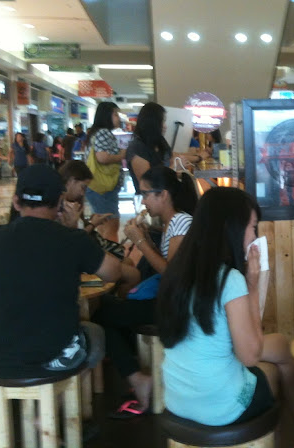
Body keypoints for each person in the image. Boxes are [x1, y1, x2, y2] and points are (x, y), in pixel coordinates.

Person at [157, 187, 294, 427]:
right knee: (270, 369)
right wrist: (253, 286)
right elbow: (250, 356)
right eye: (252, 227)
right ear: (232, 229)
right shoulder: (230, 279)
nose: (254, 237)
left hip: (177, 400)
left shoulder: (176, 272)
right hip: (223, 408)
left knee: (279, 345)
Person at [0, 164, 122, 380]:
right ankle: (69, 395)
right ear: (60, 202)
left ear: (16, 202)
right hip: (58, 361)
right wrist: (73, 231)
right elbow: (114, 272)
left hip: (1, 362)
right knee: (96, 332)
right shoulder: (72, 239)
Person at [95, 165, 198, 417]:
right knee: (105, 309)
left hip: (176, 306)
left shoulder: (182, 222)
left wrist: (140, 241)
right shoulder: (172, 222)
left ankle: (137, 377)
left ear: (163, 194)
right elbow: (167, 263)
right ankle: (137, 373)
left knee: (100, 314)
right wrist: (146, 239)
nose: (143, 201)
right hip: (169, 301)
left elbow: (171, 274)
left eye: (146, 194)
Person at [85, 101, 126, 242]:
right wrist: (122, 155)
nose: (118, 118)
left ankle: (104, 253)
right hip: (103, 189)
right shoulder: (103, 132)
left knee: (103, 228)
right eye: (115, 114)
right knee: (111, 227)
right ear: (106, 115)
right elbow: (102, 157)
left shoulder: (95, 133)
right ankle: (111, 254)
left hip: (98, 187)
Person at [126, 102, 172, 193]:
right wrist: (173, 169)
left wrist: (197, 157)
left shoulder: (160, 141)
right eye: (162, 121)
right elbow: (148, 185)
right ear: (153, 123)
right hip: (151, 199)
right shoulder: (137, 147)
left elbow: (170, 156)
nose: (165, 126)